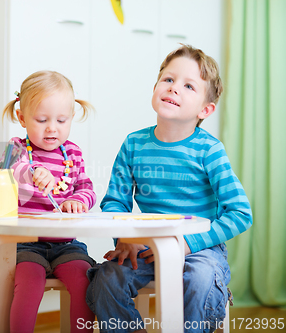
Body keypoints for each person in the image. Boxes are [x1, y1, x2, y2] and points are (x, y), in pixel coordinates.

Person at [86, 45, 252, 333]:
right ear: (155, 87)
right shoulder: (134, 144)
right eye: (169, 80)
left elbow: (240, 213)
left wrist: (189, 244)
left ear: (205, 109)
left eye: (188, 85)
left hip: (200, 249)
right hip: (149, 246)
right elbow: (115, 201)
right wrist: (125, 237)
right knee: (107, 280)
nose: (174, 88)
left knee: (201, 278)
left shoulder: (209, 150)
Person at [2, 70, 96, 332]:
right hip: (25, 243)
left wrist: (78, 200)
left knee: (83, 279)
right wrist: (30, 172)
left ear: (72, 118)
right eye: (42, 119)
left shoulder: (73, 154)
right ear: (21, 117)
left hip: (66, 243)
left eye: (61, 120)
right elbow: (6, 171)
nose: (52, 128)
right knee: (30, 282)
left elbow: (86, 187)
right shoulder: (16, 148)